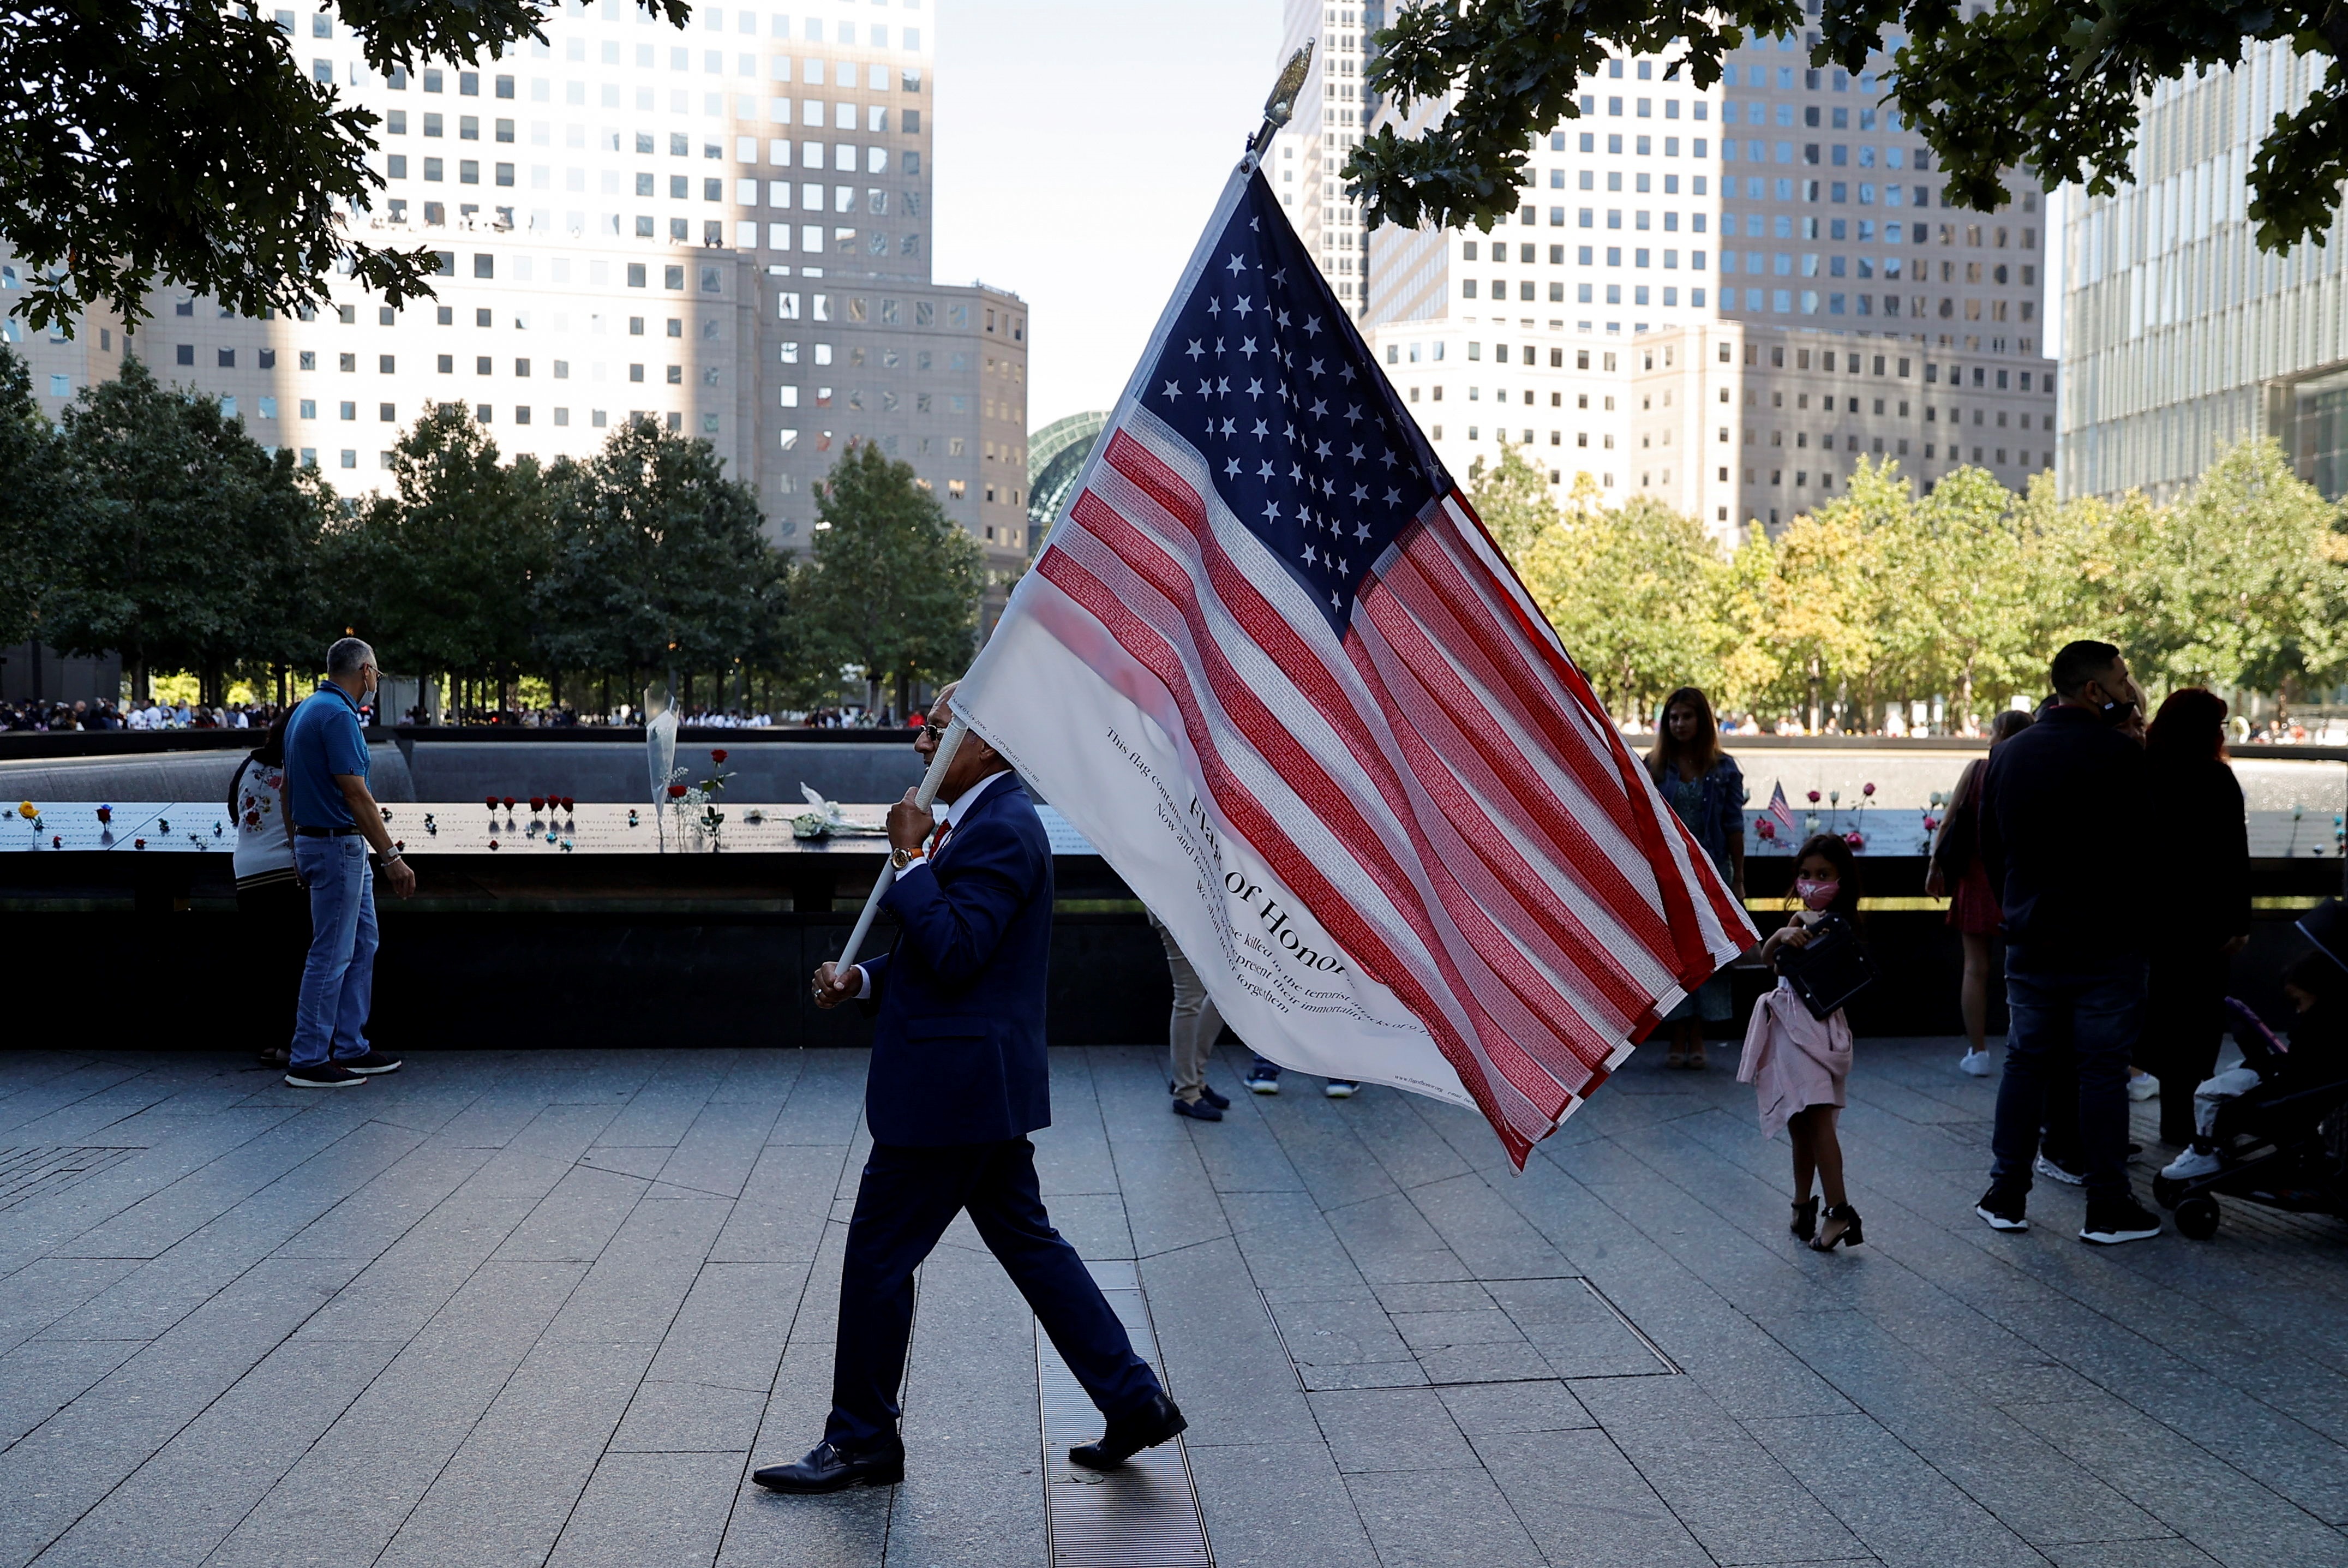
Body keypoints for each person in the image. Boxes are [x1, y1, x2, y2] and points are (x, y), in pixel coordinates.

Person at [755, 685, 1185, 1495]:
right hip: (974, 1083)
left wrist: (912, 860)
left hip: (951, 1094)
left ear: (986, 745)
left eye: (938, 731)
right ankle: (1134, 1399)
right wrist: (864, 983)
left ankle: (862, 1440)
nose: (921, 745)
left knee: (879, 1256)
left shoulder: (1003, 829)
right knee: (1029, 1244)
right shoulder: (984, 821)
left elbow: (955, 951)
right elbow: (945, 964)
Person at [1974, 640, 2163, 1244]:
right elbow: (2149, 852)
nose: (2128, 690)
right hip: (2107, 942)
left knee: (2024, 1062)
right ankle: (2106, 1206)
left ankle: (2005, 1195)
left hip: (2030, 937)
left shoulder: (2006, 756)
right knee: (2101, 1070)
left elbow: (1990, 849)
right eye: (2122, 679)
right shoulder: (2124, 758)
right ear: (2093, 691)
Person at [281, 637, 412, 1089]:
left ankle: (351, 1047)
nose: (376, 680)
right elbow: (356, 794)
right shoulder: (338, 716)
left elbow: (286, 789)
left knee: (361, 943)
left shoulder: (308, 708)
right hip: (338, 847)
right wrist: (392, 857)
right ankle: (309, 1057)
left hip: (322, 844)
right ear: (365, 672)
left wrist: (296, 844)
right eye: (377, 672)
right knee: (332, 954)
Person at [2139, 688, 2251, 1145]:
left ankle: (2170, 1116)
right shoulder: (2216, 779)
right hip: (2205, 924)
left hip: (2152, 919)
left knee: (2159, 1015)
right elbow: (2233, 857)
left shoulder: (2143, 773)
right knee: (2198, 1022)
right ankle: (2183, 1126)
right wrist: (2239, 921)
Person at [1742, 834, 1862, 1250]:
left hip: (1817, 1032)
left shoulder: (1840, 926)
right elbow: (1769, 961)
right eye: (1806, 875)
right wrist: (1781, 935)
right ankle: (1801, 1203)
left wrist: (1807, 939)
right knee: (1801, 1123)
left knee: (1818, 1120)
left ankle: (1839, 1211)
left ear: (1841, 880)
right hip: (1788, 1033)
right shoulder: (1797, 922)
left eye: (1824, 875)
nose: (1813, 884)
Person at [1929, 708, 2034, 1075]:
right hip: (2019, 882)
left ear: (2001, 733)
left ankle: (1978, 1052)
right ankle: (2024, 1041)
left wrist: (1934, 867)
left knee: (1975, 968)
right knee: (2023, 968)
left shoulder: (1978, 769)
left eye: (1992, 731)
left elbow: (1948, 820)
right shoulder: (2031, 770)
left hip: (1975, 879)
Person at [1646, 686, 1747, 1068]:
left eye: (1687, 716)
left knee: (1710, 954)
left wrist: (1738, 879)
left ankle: (1700, 1035)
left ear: (1702, 721)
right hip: (1669, 877)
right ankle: (1677, 1030)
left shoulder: (1724, 768)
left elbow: (1734, 825)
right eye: (1673, 717)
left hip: (1712, 873)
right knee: (1676, 956)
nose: (1680, 724)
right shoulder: (1654, 767)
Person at [231, 710, 306, 1070]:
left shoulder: (248, 765)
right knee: (294, 961)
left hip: (247, 872)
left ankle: (268, 1041)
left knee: (264, 961)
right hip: (285, 873)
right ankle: (292, 1043)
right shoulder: (300, 765)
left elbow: (235, 811)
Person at [1147, 909, 1233, 1122]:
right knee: (1189, 998)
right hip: (1178, 906)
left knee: (1226, 990)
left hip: (1204, 906)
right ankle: (1186, 1092)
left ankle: (1192, 1077)